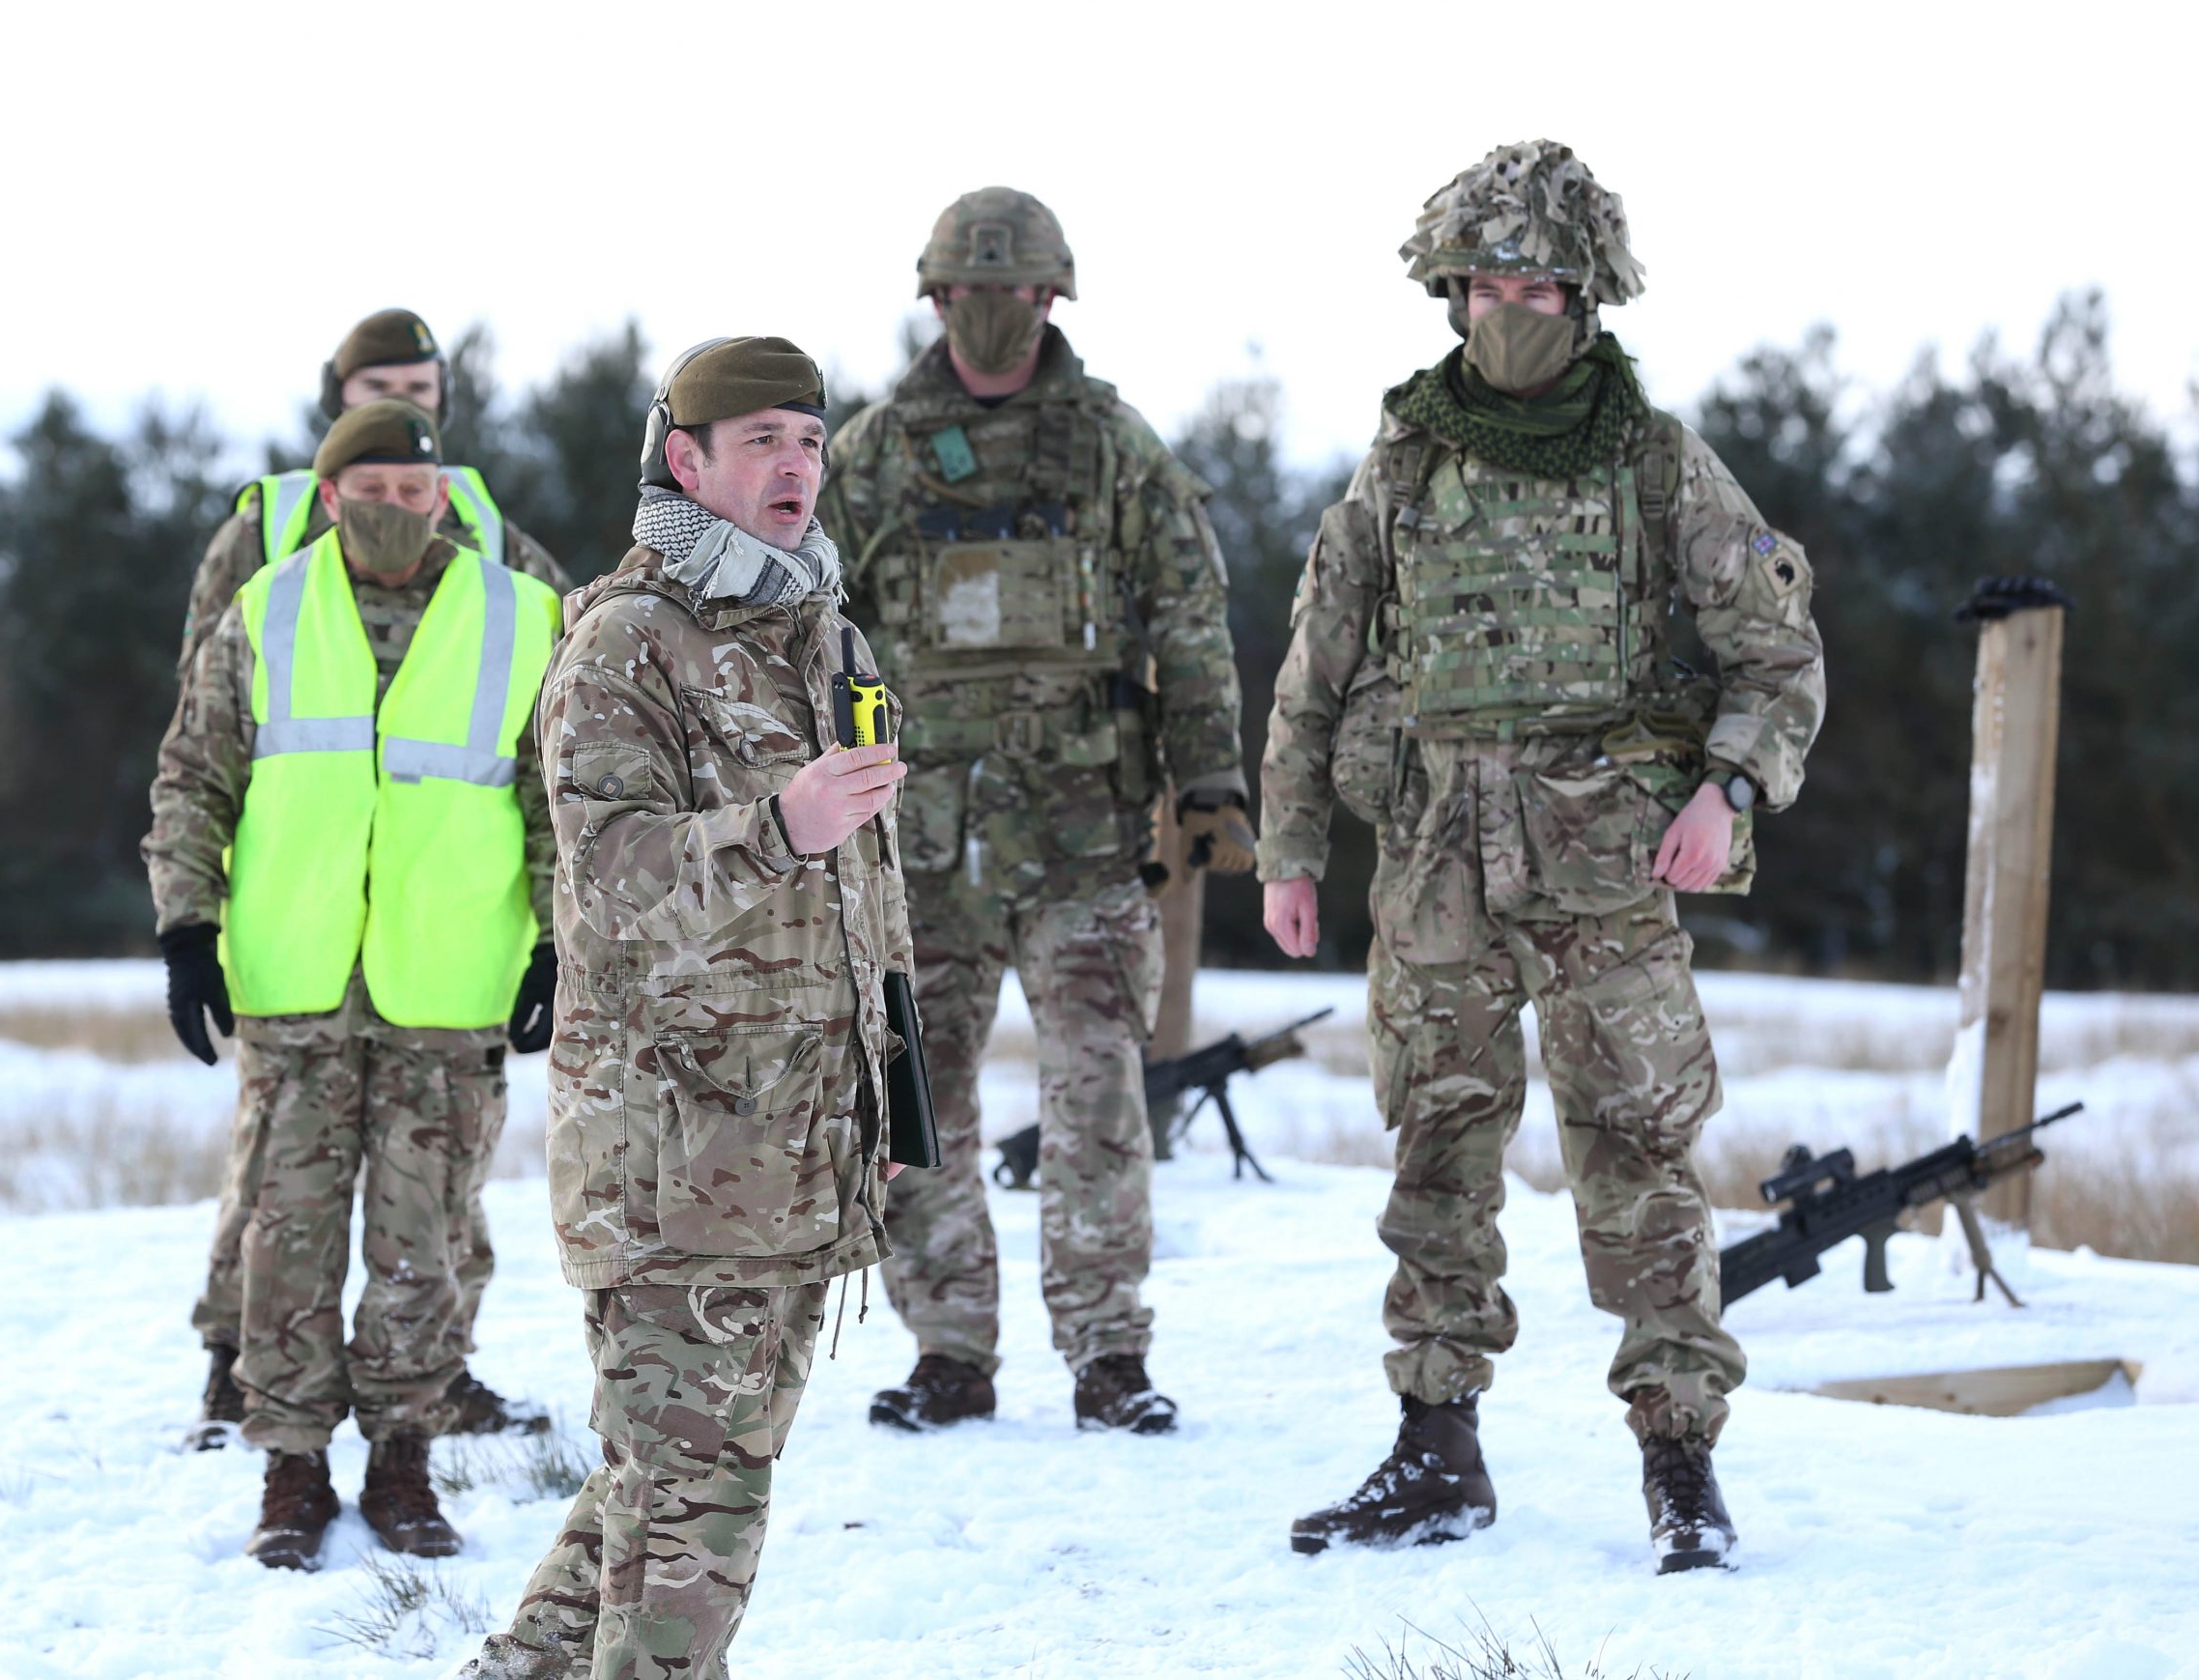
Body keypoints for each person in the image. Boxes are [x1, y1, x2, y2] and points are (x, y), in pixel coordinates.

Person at [1258, 140, 1825, 1574]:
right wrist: (1287, 846)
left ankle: (1681, 1457)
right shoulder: (1401, 459)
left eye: (1541, 283)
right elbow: (1314, 665)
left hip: (1607, 858)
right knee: (1436, 1155)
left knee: (1637, 1152)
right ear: (1451, 291)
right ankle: (1435, 1446)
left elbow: (1776, 646)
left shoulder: (1654, 457)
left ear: (1590, 295)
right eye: (1490, 281)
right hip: (1435, 856)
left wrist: (1729, 789)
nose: (1514, 306)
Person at [463, 336, 911, 1679]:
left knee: (670, 1480)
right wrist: (780, 821)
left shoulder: (826, 630)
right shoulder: (621, 642)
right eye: (762, 439)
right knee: (696, 1507)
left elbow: (870, 889)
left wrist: (886, 1088)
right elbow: (605, 880)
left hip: (799, 1142)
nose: (796, 466)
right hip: (676, 1162)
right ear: (685, 461)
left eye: (811, 440)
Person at [818, 186, 1251, 1437]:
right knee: (912, 1098)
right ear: (936, 299)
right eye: (972, 293)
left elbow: (1187, 614)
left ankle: (1109, 1352)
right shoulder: (872, 454)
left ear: (1053, 298)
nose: (997, 315)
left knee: (1099, 1101)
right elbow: (808, 635)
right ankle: (950, 1346)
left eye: (1018, 294)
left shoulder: (1114, 445)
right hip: (918, 843)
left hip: (1082, 831)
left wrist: (1210, 778)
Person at [143, 400, 564, 1569]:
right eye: (367, 489)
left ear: (445, 497)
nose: (392, 508)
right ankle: (288, 1468)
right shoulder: (264, 611)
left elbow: (557, 798)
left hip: (452, 988)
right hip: (298, 990)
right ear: (328, 496)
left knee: (422, 1240)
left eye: (412, 490)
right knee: (287, 1239)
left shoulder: (520, 614)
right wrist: (188, 930)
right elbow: (194, 778)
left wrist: (555, 943)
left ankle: (402, 1462)